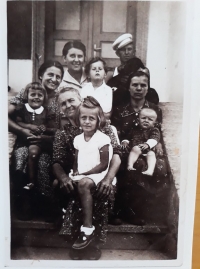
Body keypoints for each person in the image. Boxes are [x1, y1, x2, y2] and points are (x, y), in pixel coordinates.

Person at [52, 87, 121, 259]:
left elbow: (117, 156)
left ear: (80, 100)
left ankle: (93, 244)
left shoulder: (106, 129)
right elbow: (57, 161)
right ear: (59, 108)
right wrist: (64, 177)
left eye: (71, 100)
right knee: (69, 188)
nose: (68, 105)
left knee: (96, 190)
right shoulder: (63, 133)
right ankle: (77, 242)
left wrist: (107, 179)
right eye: (63, 103)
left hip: (102, 176)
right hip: (78, 176)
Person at [111, 70, 171, 225]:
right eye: (135, 85)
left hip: (149, 148)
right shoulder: (119, 110)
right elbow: (116, 133)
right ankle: (126, 211)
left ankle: (148, 211)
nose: (139, 88)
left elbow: (157, 130)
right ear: (129, 88)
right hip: (127, 150)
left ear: (147, 88)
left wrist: (157, 143)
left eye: (143, 85)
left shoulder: (155, 109)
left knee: (161, 167)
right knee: (133, 166)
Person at [8, 60, 64, 221]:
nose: (54, 79)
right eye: (50, 74)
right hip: (26, 140)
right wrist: (23, 131)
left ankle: (45, 204)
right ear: (41, 75)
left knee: (44, 163)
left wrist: (44, 137)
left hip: (48, 143)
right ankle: (23, 204)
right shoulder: (29, 91)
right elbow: (5, 115)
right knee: (21, 158)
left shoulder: (59, 98)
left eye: (58, 76)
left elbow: (59, 129)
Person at [69, 97, 113, 250]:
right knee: (59, 183)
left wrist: (84, 174)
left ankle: (88, 229)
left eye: (91, 118)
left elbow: (103, 165)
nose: (87, 121)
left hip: (98, 175)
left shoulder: (103, 138)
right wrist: (75, 171)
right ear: (78, 119)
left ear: (98, 120)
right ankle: (64, 219)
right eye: (83, 118)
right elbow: (76, 159)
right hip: (83, 173)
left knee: (84, 183)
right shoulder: (78, 139)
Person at [13, 82, 55, 190]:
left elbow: (51, 127)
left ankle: (32, 182)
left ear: (44, 97)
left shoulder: (46, 111)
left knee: (33, 153)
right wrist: (29, 126)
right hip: (23, 140)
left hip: (38, 141)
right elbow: (18, 122)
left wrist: (44, 128)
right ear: (27, 96)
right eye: (33, 95)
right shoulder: (22, 108)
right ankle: (19, 179)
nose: (36, 97)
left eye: (39, 95)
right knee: (19, 158)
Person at [126, 108, 160, 175]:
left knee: (151, 155)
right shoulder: (134, 129)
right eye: (143, 118)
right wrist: (125, 141)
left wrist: (147, 144)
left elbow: (155, 138)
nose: (146, 121)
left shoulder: (154, 130)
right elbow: (128, 137)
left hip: (148, 150)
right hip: (136, 149)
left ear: (154, 122)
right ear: (138, 120)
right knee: (135, 149)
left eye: (150, 119)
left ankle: (150, 170)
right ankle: (130, 165)